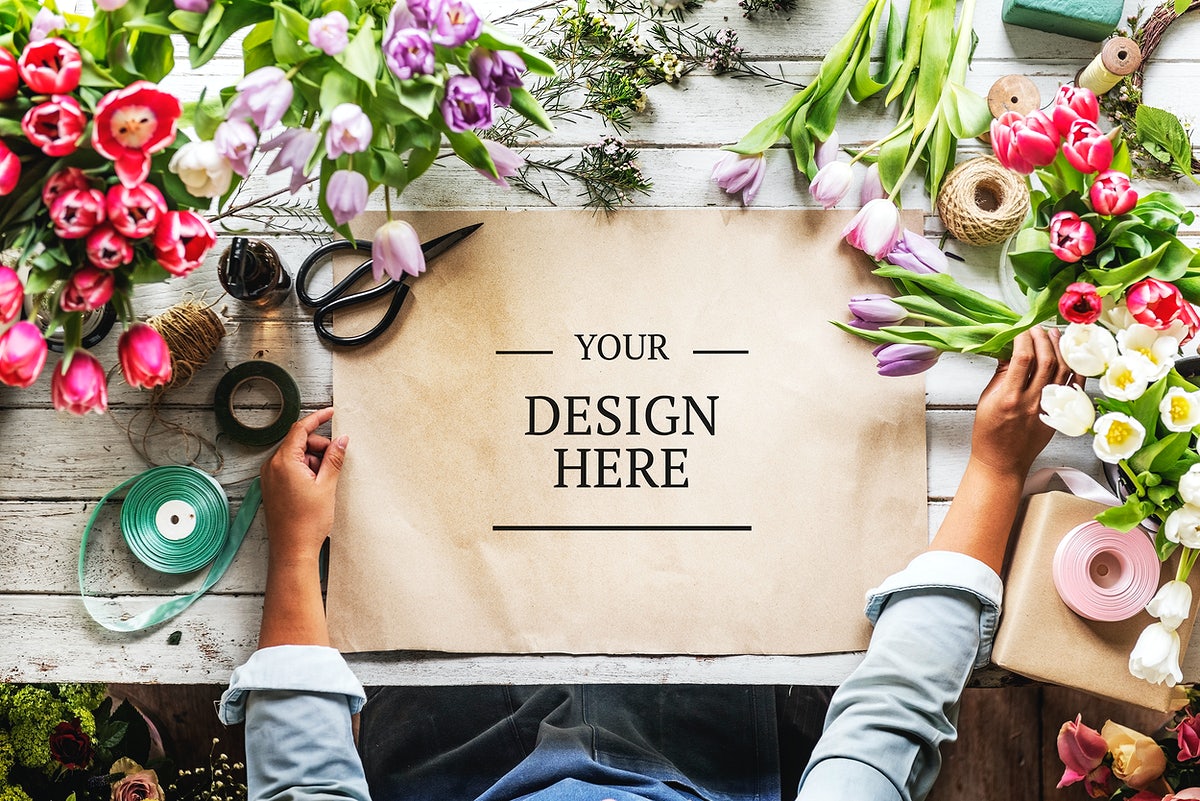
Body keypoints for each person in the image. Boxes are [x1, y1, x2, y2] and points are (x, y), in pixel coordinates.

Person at [218, 327, 1072, 801]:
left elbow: (302, 786)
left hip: (456, 752)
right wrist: (994, 471)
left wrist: (292, 554)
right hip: (714, 745)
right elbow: (888, 721)